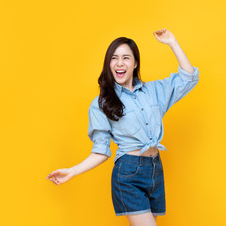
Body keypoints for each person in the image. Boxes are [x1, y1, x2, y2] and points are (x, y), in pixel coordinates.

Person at [46, 28, 199, 226]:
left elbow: (189, 77)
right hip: (128, 173)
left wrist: (172, 42)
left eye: (126, 58)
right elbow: (101, 151)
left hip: (155, 170)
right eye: (114, 58)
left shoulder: (154, 91)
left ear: (135, 64)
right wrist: (72, 171)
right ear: (109, 64)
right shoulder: (101, 103)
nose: (120, 62)